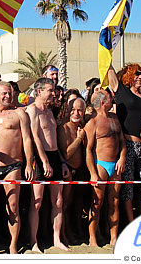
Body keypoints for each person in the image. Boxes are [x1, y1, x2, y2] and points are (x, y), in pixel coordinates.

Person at [0, 81, 35, 254]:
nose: (8, 96)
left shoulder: (19, 114)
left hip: (13, 166)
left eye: (10, 93)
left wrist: (29, 163)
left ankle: (12, 245)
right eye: (4, 93)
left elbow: (27, 139)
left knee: (12, 207)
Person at [106, 63, 141, 221]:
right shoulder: (121, 91)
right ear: (128, 75)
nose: (140, 76)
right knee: (127, 188)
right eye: (136, 73)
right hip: (127, 145)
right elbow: (108, 67)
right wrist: (106, 47)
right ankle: (130, 223)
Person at [26, 77, 69, 252]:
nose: (53, 94)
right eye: (50, 91)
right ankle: (33, 241)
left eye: (54, 91)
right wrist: (43, 161)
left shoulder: (50, 112)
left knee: (57, 201)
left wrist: (62, 161)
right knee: (37, 201)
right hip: (39, 158)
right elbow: (35, 137)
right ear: (39, 91)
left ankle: (57, 239)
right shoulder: (32, 110)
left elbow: (54, 141)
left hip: (54, 157)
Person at [84, 89, 126, 247]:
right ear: (103, 102)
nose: (112, 99)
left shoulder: (114, 118)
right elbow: (88, 149)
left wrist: (122, 157)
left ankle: (113, 237)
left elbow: (122, 141)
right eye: (109, 98)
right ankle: (92, 237)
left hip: (115, 164)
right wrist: (93, 173)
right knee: (97, 203)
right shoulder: (93, 122)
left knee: (114, 202)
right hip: (100, 163)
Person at [57, 96, 88, 243]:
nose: (76, 113)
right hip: (68, 168)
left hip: (81, 169)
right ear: (67, 110)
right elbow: (67, 154)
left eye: (79, 110)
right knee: (65, 204)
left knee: (79, 202)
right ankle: (63, 234)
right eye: (73, 110)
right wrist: (79, 139)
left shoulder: (83, 124)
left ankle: (77, 230)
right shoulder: (63, 127)